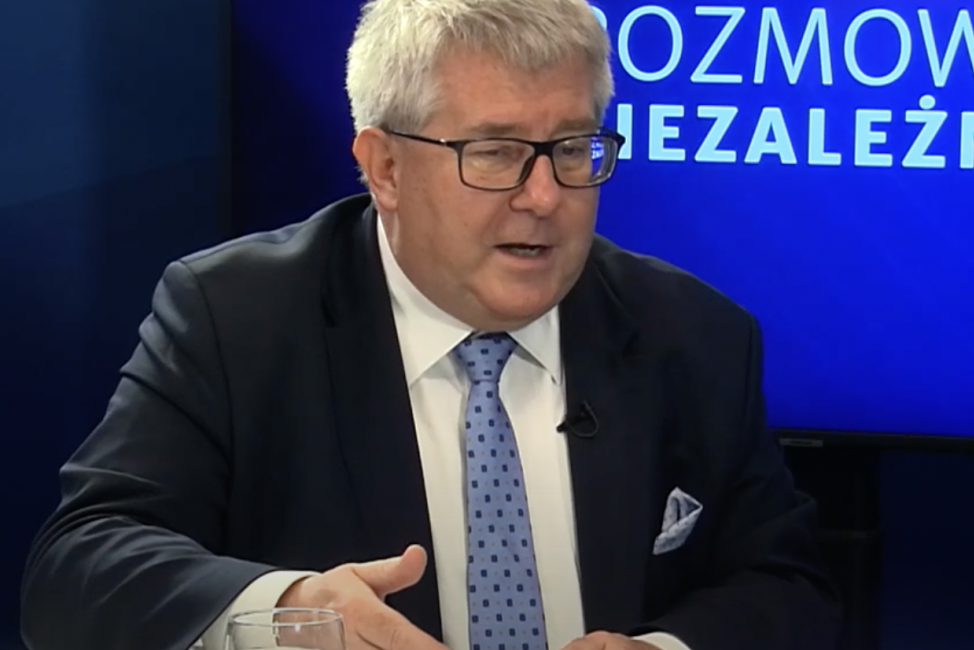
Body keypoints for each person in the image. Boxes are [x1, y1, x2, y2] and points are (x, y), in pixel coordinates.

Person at [20, 1, 840, 649]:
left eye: (572, 148)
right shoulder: (236, 318)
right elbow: (77, 567)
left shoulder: (693, 335)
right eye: (494, 152)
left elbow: (788, 586)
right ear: (383, 167)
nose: (544, 196)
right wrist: (288, 610)